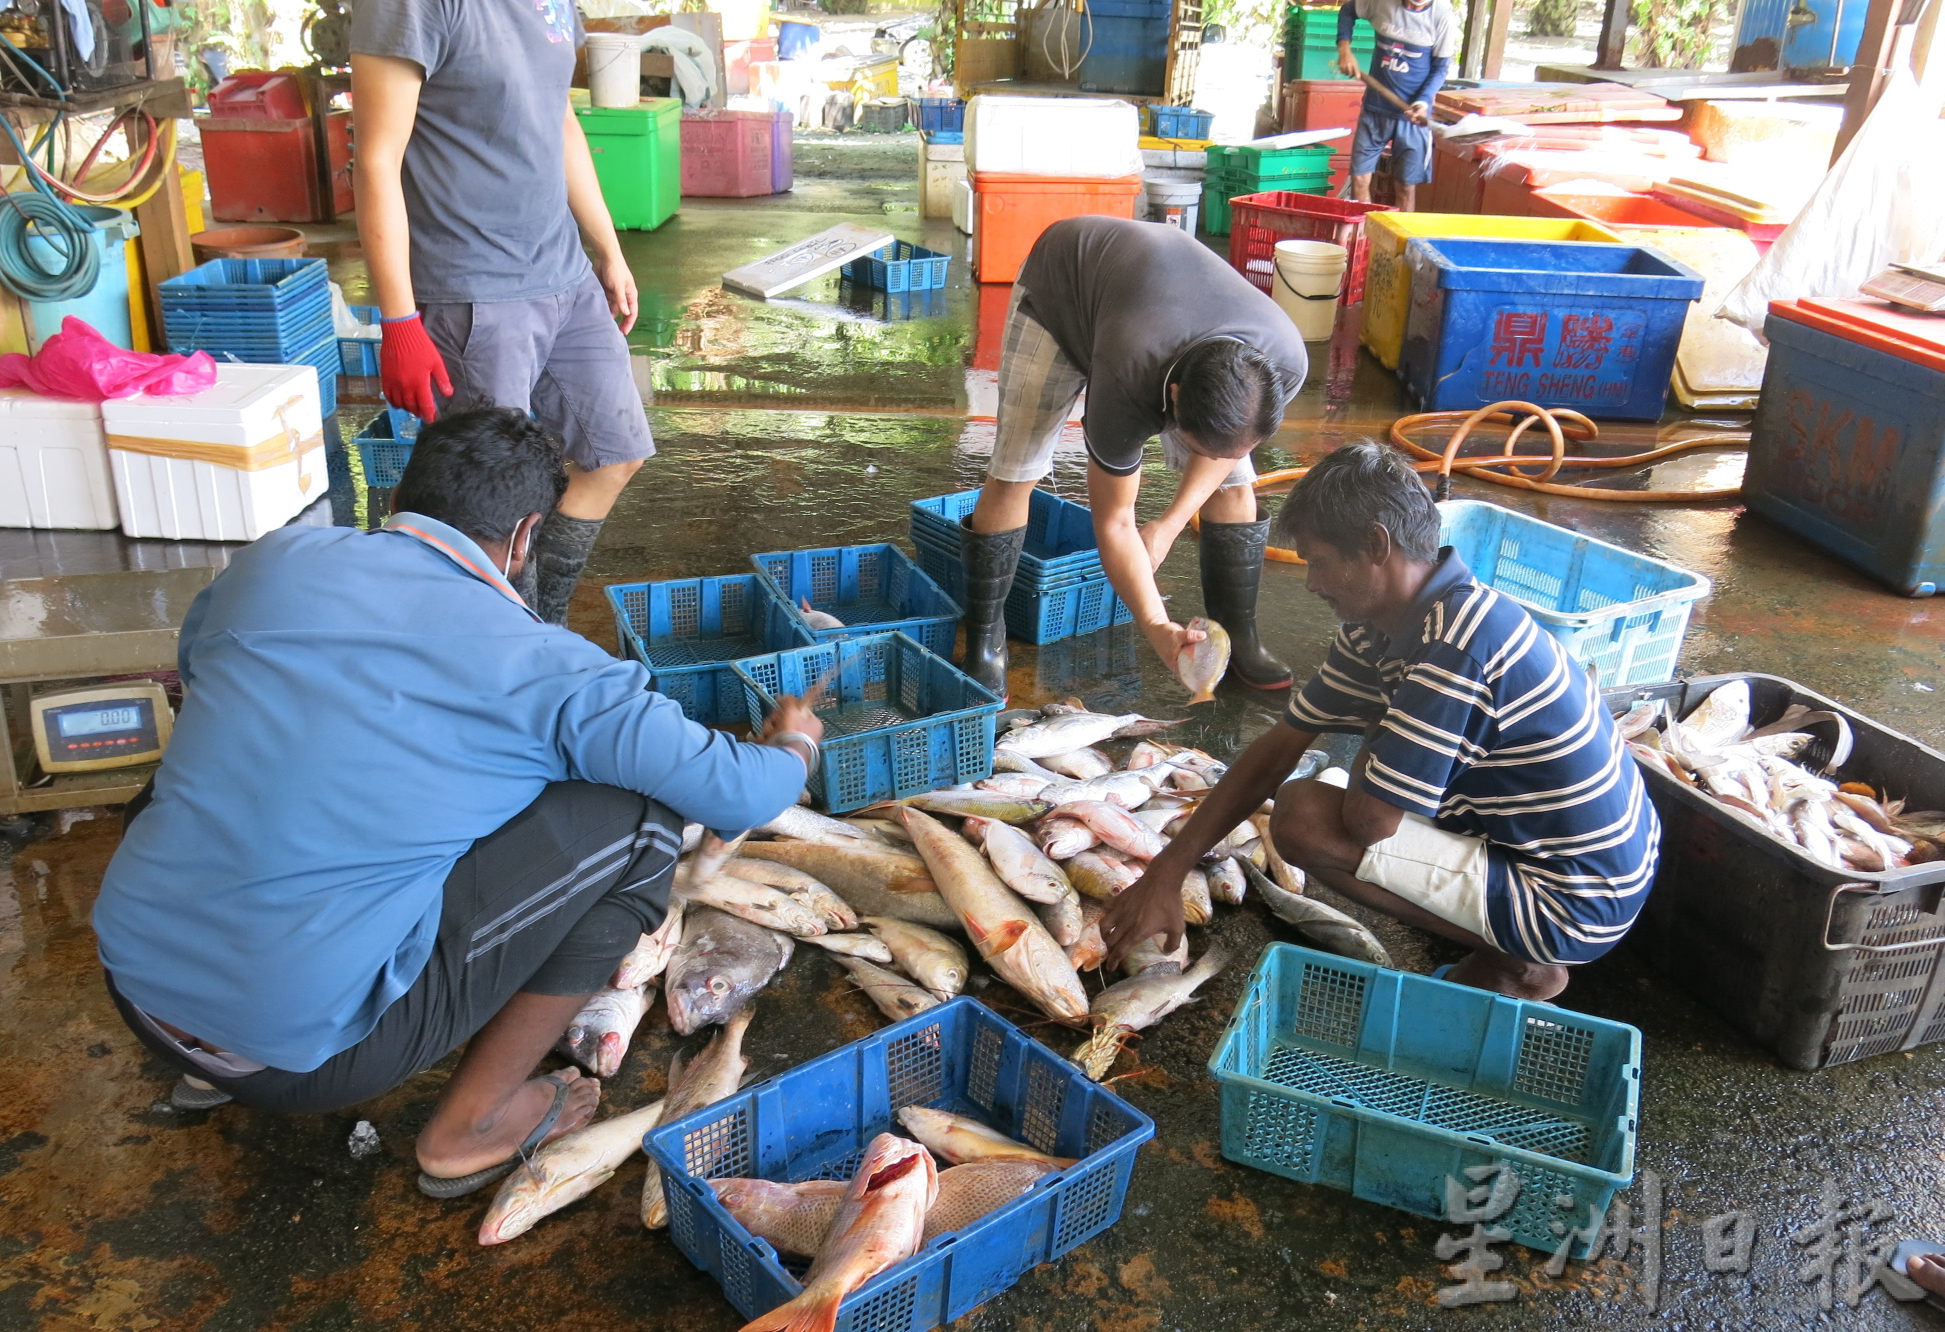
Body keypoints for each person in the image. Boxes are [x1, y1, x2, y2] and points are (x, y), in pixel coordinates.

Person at [93, 409, 822, 1199]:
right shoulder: (553, 670)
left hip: (132, 987)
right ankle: (471, 1127)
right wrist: (796, 742)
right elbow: (742, 791)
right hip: (307, 1062)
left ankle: (209, 1059)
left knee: (219, 764)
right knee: (638, 823)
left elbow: (202, 673)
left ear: (400, 494)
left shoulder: (274, 561)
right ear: (525, 536)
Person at [1103, 441, 1660, 1000]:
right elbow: (1281, 745)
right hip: (1564, 852)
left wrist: (1379, 723)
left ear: (1375, 544)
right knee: (1329, 789)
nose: (1311, 583)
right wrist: (1166, 872)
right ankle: (1507, 940)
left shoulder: (1456, 644)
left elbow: (1370, 824)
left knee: (1305, 819)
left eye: (1318, 562)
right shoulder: (1386, 622)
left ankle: (1522, 961)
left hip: (1578, 898)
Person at [350, 0, 652, 628]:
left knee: (614, 454)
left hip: (563, 273)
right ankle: (500, 648)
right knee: (491, 504)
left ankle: (541, 625)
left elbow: (560, 118)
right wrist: (400, 320)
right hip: (474, 290)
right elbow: (376, 160)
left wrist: (609, 247)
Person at [958, 216, 1310, 699]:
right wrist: (1155, 624)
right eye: (1195, 444)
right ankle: (983, 639)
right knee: (1017, 469)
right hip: (1065, 283)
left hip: (1160, 292)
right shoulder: (1128, 381)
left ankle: (1235, 637)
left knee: (1233, 487)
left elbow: (1225, 455)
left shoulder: (1283, 361)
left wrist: (1166, 526)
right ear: (1174, 400)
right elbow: (1117, 521)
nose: (1207, 455)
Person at [1336, 0, 1457, 212]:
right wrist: (1344, 50)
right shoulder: (1382, 3)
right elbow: (1348, 10)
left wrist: (1423, 101)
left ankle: (1399, 245)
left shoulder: (1442, 16)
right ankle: (1365, 240)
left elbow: (1440, 69)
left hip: (1413, 118)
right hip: (1375, 110)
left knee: (1405, 188)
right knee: (1360, 180)